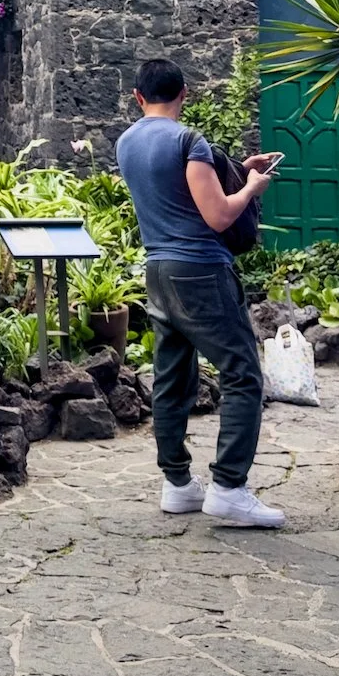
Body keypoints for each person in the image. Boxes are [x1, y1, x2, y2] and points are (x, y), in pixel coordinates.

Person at [114, 58, 283, 528]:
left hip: (158, 271)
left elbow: (174, 193)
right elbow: (219, 216)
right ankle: (229, 488)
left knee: (171, 379)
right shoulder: (189, 140)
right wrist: (252, 186)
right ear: (184, 93)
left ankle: (178, 484)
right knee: (243, 373)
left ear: (138, 96)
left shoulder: (126, 142)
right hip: (202, 272)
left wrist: (235, 170)